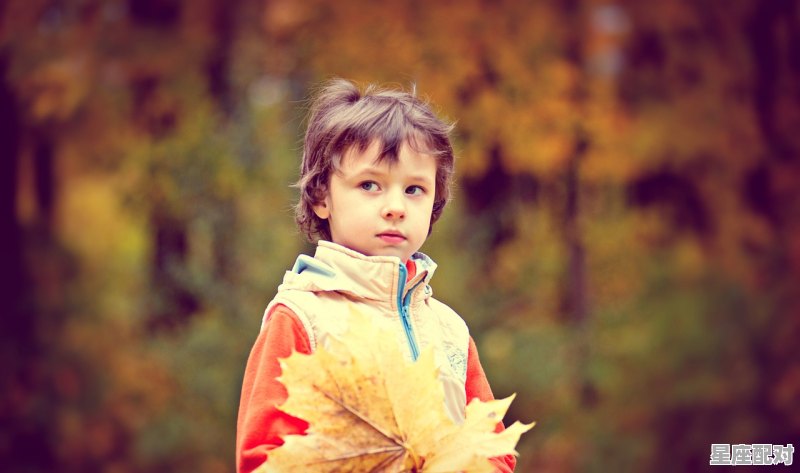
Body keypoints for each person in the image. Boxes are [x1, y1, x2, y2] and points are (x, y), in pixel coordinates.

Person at [236, 78, 516, 473]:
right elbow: (265, 458)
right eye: (370, 185)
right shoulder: (302, 318)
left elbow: (493, 450)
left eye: (415, 189)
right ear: (321, 197)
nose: (395, 207)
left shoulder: (449, 330)